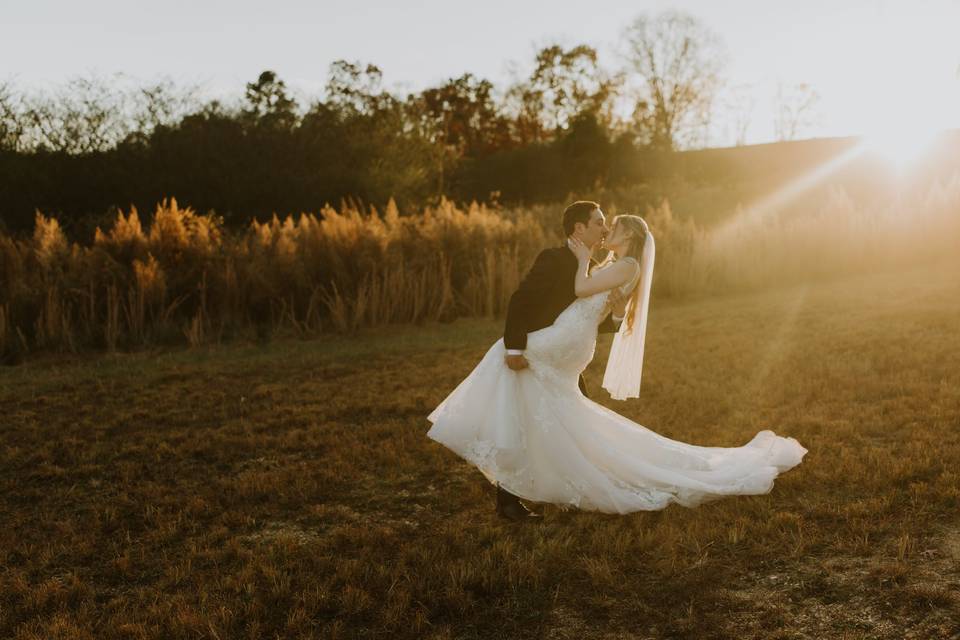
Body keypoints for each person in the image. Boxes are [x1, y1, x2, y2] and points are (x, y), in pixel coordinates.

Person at [426, 201, 807, 520]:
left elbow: (587, 303)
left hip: (562, 347)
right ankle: (529, 492)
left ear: (629, 236)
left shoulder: (593, 264)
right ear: (580, 227)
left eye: (611, 225)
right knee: (554, 414)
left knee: (534, 407)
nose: (605, 228)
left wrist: (593, 285)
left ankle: (539, 488)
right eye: (599, 223)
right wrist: (514, 347)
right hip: (557, 345)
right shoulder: (559, 258)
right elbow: (522, 302)